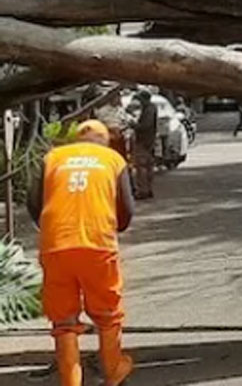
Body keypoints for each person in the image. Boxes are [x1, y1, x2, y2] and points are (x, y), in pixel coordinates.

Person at [27, 120, 135, 386]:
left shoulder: (53, 157)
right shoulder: (113, 159)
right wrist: (114, 225)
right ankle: (113, 371)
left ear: (77, 139)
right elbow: (126, 208)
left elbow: (33, 203)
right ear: (105, 141)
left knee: (63, 321)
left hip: (56, 245)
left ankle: (71, 382)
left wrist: (52, 229)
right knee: (108, 314)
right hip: (98, 245)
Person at [131, 91, 156, 200]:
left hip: (144, 141)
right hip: (149, 140)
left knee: (142, 167)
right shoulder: (150, 108)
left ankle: (143, 190)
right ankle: (148, 189)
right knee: (148, 166)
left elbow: (146, 125)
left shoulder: (149, 109)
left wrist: (134, 125)